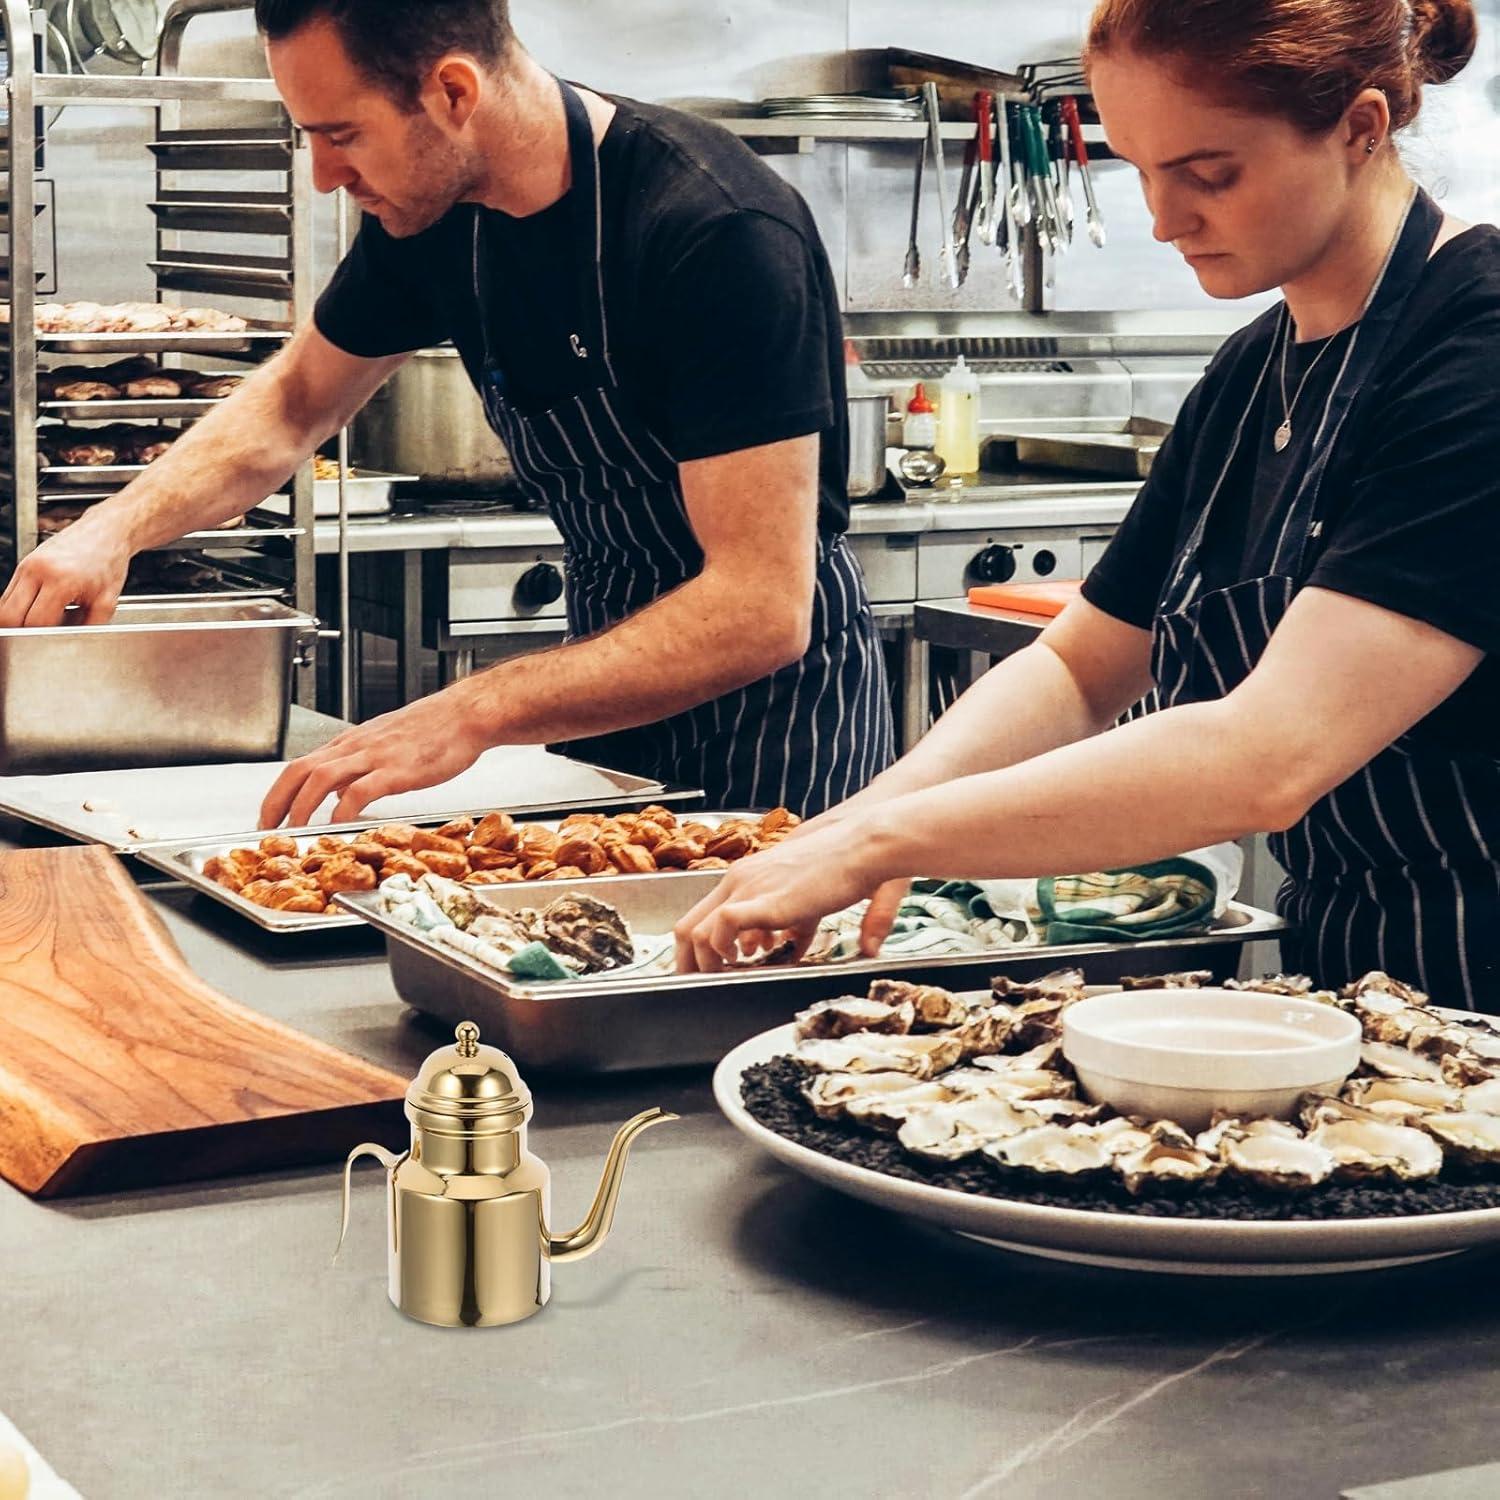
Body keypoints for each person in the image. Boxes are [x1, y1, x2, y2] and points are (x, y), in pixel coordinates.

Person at [677, 0, 1500, 1011]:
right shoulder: (1254, 374)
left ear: (1361, 128)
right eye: (1142, 170)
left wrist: (892, 841)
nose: (1164, 218)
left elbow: (1271, 755)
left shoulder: (1476, 353)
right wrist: (861, 823)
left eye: (1208, 173)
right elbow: (1080, 667)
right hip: (1364, 990)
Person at [0, 0, 893, 826]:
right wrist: (110, 530)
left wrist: (472, 709)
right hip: (604, 681)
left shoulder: (711, 228)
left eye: (341, 134)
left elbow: (759, 610)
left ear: (454, 91)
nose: (321, 176)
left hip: (778, 730)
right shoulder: (433, 221)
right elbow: (291, 403)